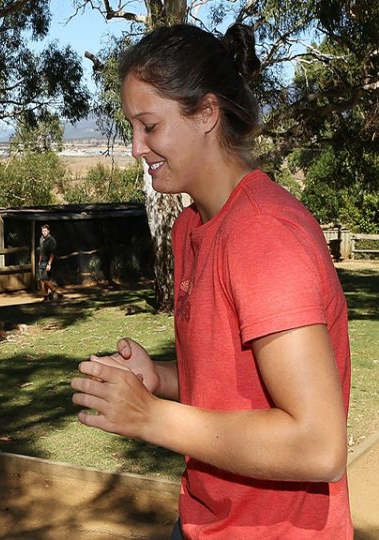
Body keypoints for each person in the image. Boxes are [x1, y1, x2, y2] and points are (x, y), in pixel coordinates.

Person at [70, 23, 352, 539]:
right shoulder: (191, 227)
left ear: (205, 112)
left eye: (149, 126)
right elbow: (237, 386)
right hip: (204, 517)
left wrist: (151, 417)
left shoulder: (263, 234)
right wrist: (160, 379)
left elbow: (319, 445)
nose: (136, 148)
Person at [37, 224, 62, 301]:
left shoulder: (52, 240)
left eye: (45, 231)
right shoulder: (41, 239)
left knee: (44, 279)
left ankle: (55, 292)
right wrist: (39, 261)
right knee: (44, 280)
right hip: (42, 261)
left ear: (48, 231)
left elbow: (52, 253)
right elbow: (41, 251)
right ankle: (46, 296)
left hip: (48, 262)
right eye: (42, 231)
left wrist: (49, 264)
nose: (44, 232)